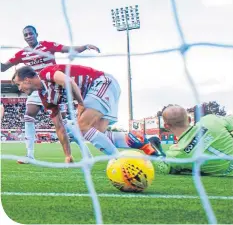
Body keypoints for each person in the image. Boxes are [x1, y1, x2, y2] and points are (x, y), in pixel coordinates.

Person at [12, 64, 160, 162]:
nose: (19, 89)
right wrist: (68, 155)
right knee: (98, 132)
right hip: (97, 90)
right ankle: (142, 141)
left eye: (19, 84)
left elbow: (69, 82)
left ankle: (119, 162)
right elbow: (59, 127)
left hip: (102, 82)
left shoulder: (46, 73)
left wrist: (81, 104)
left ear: (27, 80)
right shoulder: (45, 97)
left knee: (82, 126)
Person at [1, 25, 100, 163]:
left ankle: (86, 153)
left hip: (53, 86)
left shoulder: (47, 46)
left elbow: (66, 49)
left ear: (36, 34)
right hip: (35, 87)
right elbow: (4, 67)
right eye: (26, 35)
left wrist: (84, 46)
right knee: (28, 116)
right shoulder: (22, 54)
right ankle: (29, 155)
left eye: (30, 34)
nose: (29, 36)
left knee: (63, 124)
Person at [153, 104, 233, 176]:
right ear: (189, 119)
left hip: (225, 173)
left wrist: (153, 150)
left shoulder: (176, 153)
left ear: (166, 126)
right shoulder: (209, 120)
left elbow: (163, 168)